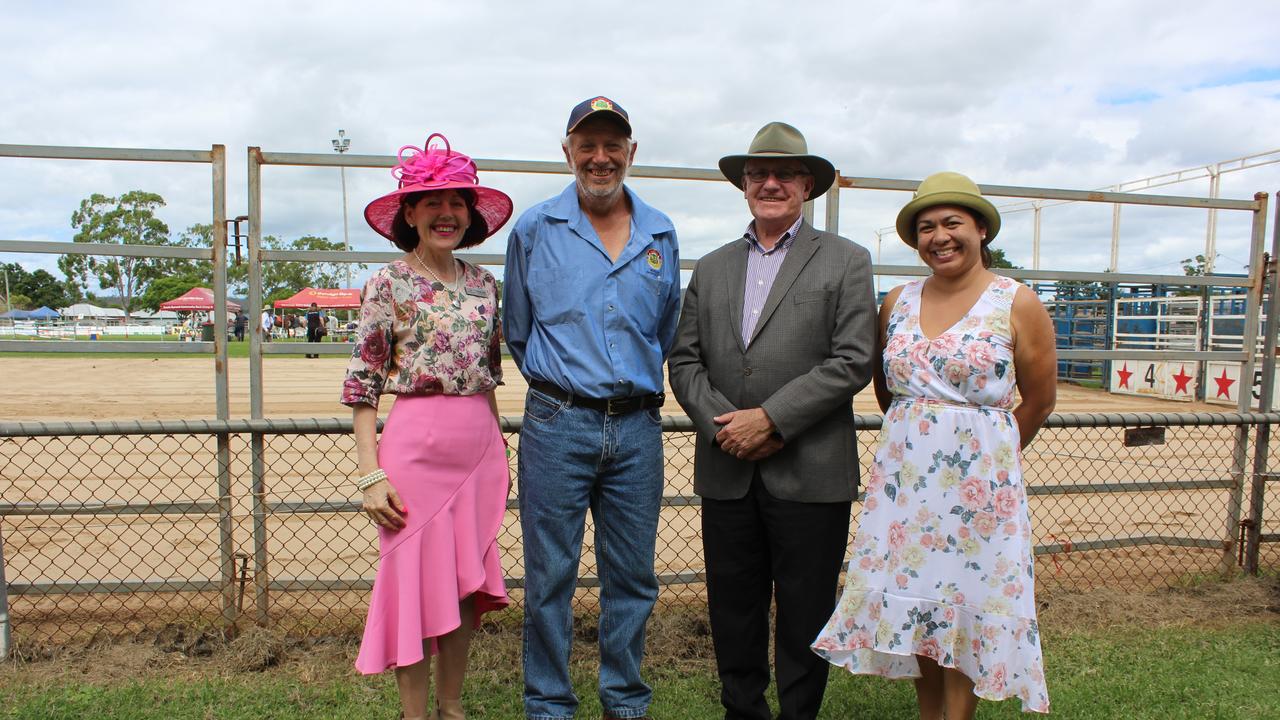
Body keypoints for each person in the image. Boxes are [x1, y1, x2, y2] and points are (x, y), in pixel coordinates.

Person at [811, 172, 1057, 718]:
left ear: (981, 230)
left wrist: (988, 459)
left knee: (968, 602)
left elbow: (1038, 400)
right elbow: (888, 389)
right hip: (909, 488)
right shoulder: (897, 300)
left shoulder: (1016, 302)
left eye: (953, 223)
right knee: (920, 607)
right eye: (926, 227)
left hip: (980, 490)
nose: (939, 237)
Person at [668, 121, 877, 720]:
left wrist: (772, 419)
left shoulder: (846, 261)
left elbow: (852, 359)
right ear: (742, 185)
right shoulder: (711, 268)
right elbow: (685, 360)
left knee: (807, 607)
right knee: (733, 607)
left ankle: (798, 714)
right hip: (727, 466)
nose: (771, 182)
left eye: (785, 173)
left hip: (810, 470)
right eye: (758, 173)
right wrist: (724, 426)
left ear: (806, 185)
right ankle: (743, 711)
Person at [503, 96, 681, 720]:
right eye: (588, 145)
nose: (600, 158)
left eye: (613, 146)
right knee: (549, 576)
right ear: (568, 151)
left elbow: (665, 325)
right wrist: (567, 387)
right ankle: (549, 703)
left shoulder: (659, 233)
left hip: (636, 426)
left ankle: (624, 701)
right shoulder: (534, 229)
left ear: (632, 153)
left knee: (631, 576)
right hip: (558, 422)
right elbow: (518, 331)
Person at [341, 132, 514, 720]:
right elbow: (363, 388)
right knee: (413, 585)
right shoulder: (386, 284)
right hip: (413, 457)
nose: (447, 214)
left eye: (458, 203)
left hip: (478, 454)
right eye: (432, 202)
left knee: (466, 584)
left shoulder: (487, 285)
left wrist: (499, 457)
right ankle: (415, 714)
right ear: (409, 214)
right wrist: (371, 475)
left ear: (470, 215)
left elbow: (488, 378)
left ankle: (452, 706)